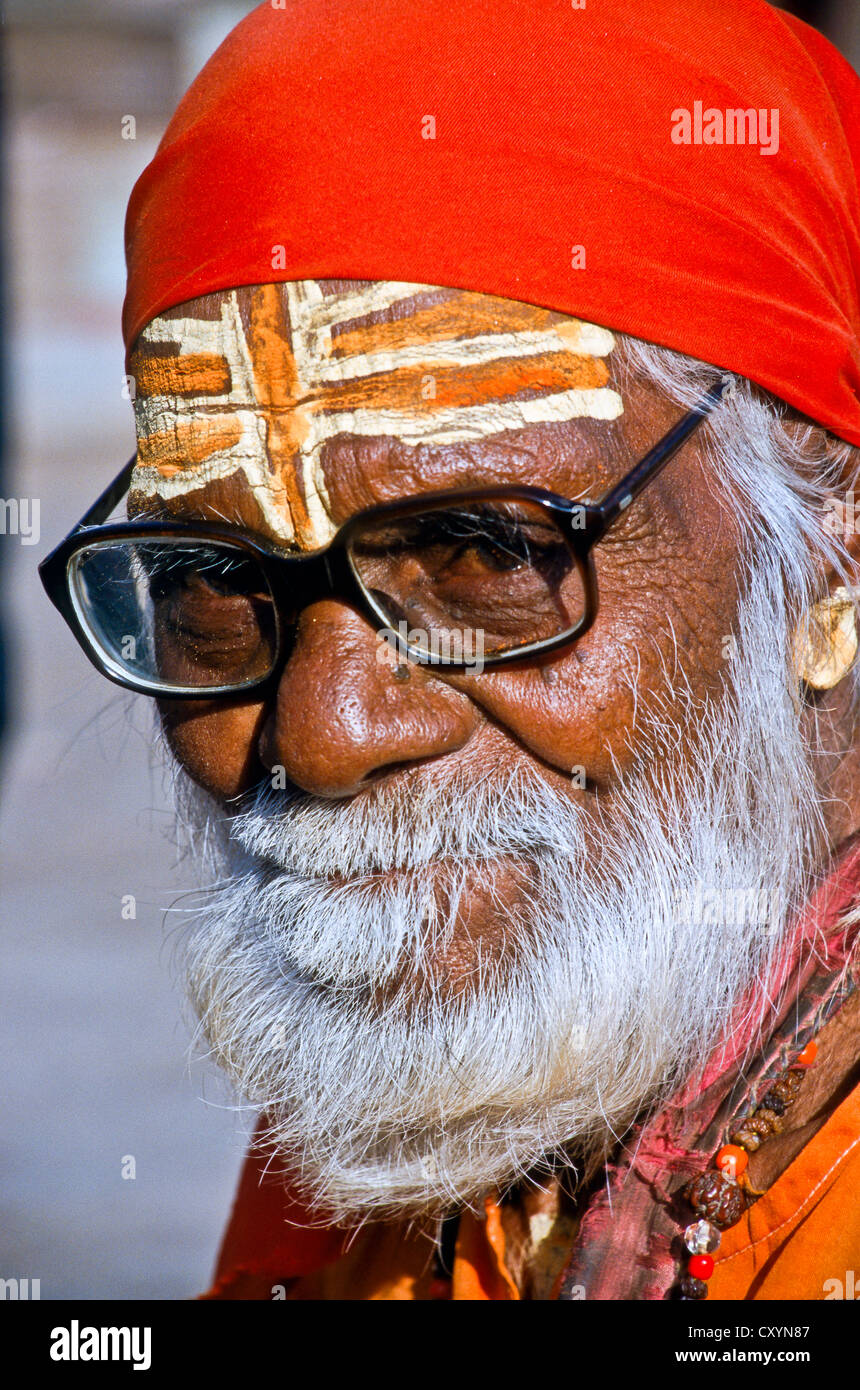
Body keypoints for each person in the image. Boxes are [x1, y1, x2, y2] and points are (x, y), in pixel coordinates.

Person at [41, 0, 860, 1298]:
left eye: (488, 552)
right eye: (215, 579)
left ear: (830, 559)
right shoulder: (416, 1131)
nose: (321, 734)